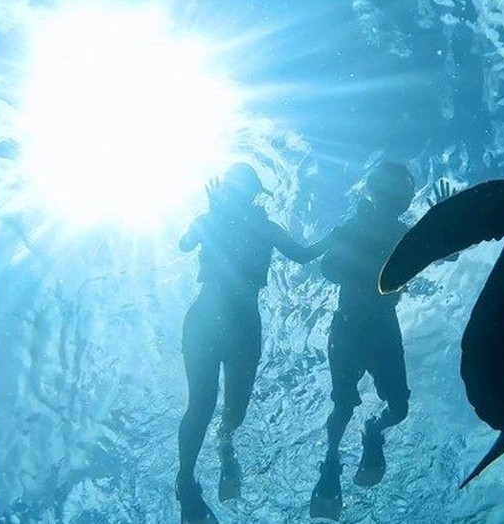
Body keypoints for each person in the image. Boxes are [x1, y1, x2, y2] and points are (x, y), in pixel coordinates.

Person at [176, 162, 329, 524]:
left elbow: (303, 254)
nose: (239, 196)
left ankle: (224, 441)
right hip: (211, 318)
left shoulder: (264, 226)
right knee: (201, 404)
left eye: (243, 190)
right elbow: (184, 244)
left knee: (235, 410)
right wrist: (210, 216)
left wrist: (338, 237)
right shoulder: (212, 219)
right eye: (235, 189)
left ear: (252, 195)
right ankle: (186, 479)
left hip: (238, 325)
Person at [310, 162, 451, 520]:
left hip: (379, 328)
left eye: (400, 191)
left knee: (396, 408)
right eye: (394, 190)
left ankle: (372, 431)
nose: (396, 197)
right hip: (350, 327)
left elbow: (446, 253)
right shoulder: (357, 228)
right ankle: (332, 458)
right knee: (344, 406)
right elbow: (327, 268)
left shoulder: (402, 233)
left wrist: (442, 219)